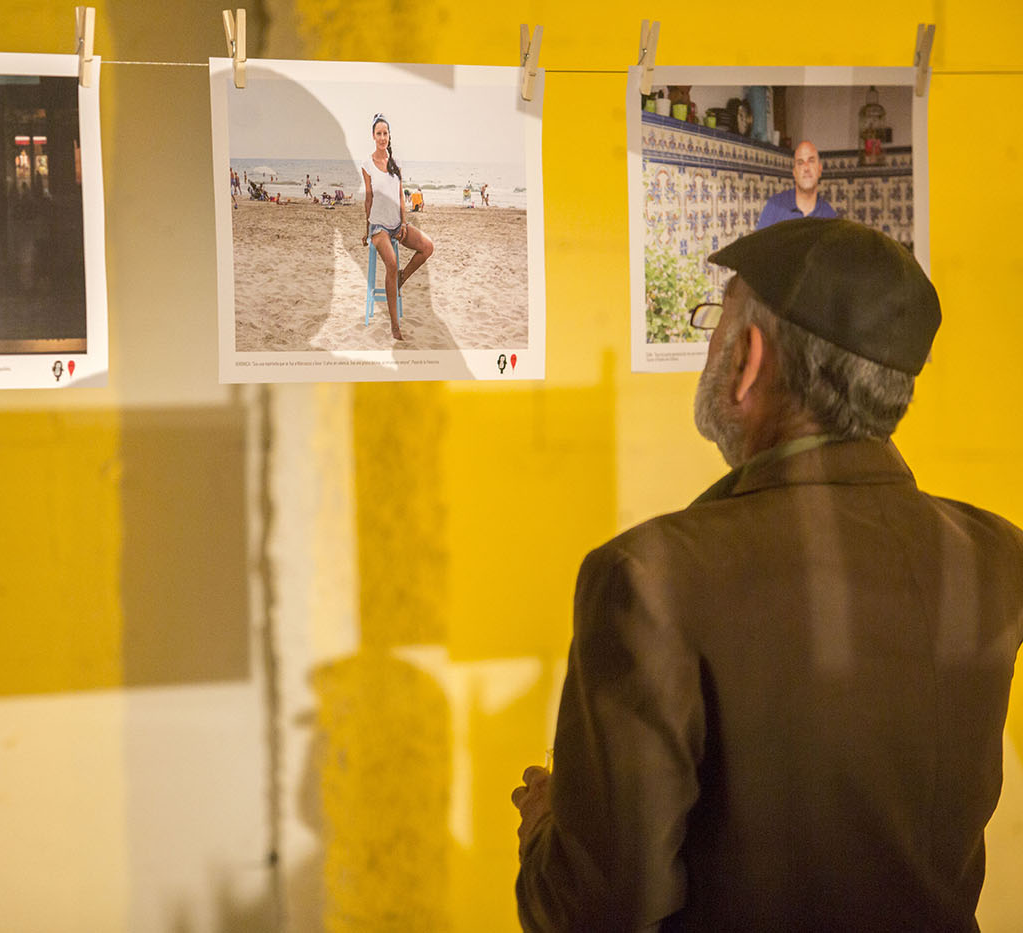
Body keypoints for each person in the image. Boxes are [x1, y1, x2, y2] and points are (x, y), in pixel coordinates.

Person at [511, 218, 1023, 930]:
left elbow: (600, 910)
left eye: (713, 325)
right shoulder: (997, 554)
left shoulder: (649, 576)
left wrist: (544, 828)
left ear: (749, 359)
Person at [360, 113, 434, 341]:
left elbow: (401, 196)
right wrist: (367, 229)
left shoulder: (396, 163)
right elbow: (369, 199)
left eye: (385, 133)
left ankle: (401, 278)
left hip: (396, 224)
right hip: (379, 227)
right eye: (378, 133)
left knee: (427, 247)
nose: (382, 137)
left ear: (389, 136)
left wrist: (403, 223)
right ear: (373, 136)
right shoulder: (367, 165)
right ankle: (394, 326)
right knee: (391, 263)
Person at [756, 140, 837, 229]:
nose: (806, 168)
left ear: (820, 170)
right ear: (794, 173)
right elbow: (757, 243)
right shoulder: (774, 206)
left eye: (811, 161)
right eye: (800, 163)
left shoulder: (830, 217)